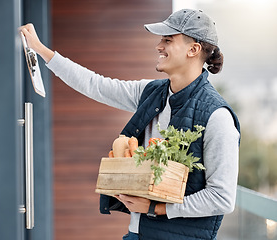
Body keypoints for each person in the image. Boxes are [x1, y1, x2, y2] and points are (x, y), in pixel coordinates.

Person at [20, 8, 240, 240]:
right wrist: (42, 51)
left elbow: (221, 198)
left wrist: (155, 208)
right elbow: (95, 85)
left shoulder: (218, 116)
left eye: (168, 39)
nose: (158, 46)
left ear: (193, 49)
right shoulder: (151, 93)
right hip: (137, 233)